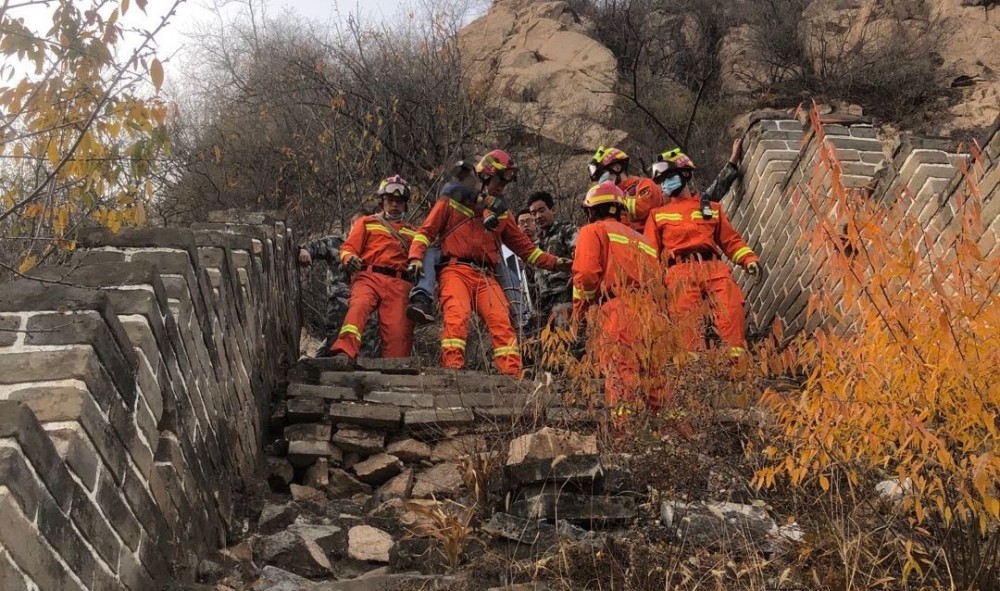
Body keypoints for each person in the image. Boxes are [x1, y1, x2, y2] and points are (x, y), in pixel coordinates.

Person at [407, 149, 572, 376]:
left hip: (485, 275)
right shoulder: (451, 200)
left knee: (502, 323)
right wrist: (415, 256)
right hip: (455, 269)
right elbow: (426, 232)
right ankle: (452, 373)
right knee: (457, 318)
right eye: (499, 181)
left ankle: (512, 377)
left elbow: (527, 251)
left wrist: (556, 263)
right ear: (485, 176)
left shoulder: (503, 215)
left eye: (506, 183)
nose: (502, 187)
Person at [643, 148, 761, 360]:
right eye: (661, 181)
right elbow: (650, 255)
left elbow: (731, 241)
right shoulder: (657, 215)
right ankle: (696, 375)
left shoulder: (711, 208)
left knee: (731, 309)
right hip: (679, 273)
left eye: (668, 178)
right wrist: (653, 289)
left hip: (714, 268)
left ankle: (738, 370)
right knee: (686, 324)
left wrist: (748, 260)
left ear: (685, 175)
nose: (664, 184)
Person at [571, 181, 659, 413]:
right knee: (657, 378)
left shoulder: (592, 231)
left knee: (621, 372)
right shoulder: (642, 240)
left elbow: (587, 276)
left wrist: (579, 317)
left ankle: (626, 437)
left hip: (616, 310)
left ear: (590, 210)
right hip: (652, 312)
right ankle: (675, 437)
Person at [406, 160, 512, 325]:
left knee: (502, 267)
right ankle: (423, 299)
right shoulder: (454, 193)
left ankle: (516, 311)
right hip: (451, 257)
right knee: (429, 253)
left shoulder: (490, 200)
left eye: (467, 177)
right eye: (461, 177)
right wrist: (414, 257)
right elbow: (426, 231)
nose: (465, 181)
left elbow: (499, 206)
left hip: (484, 266)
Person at [327, 176, 418, 363]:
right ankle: (345, 351)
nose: (394, 205)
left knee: (399, 329)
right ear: (382, 202)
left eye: (399, 201)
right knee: (358, 307)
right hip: (369, 277)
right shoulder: (366, 223)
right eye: (390, 200)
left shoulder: (413, 232)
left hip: (400, 283)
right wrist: (349, 258)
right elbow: (349, 248)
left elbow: (421, 255)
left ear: (405, 204)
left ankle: (396, 368)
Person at [297, 212, 379, 358]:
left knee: (366, 343)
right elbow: (313, 247)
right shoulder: (336, 243)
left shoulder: (373, 249)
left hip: (366, 301)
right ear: (351, 226)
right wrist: (304, 251)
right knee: (335, 342)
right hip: (340, 301)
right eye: (358, 226)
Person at [527, 191, 577, 324]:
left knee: (567, 340)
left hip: (565, 297)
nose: (538, 216)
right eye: (534, 213)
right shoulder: (536, 244)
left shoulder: (566, 230)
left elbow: (580, 256)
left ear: (552, 210)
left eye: (542, 210)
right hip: (544, 303)